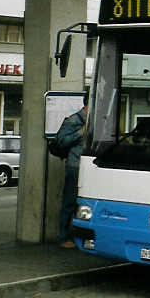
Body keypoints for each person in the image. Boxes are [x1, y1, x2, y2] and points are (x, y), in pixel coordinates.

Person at [56, 95, 88, 248]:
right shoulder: (74, 120)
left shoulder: (95, 121)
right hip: (75, 167)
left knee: (81, 205)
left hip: (89, 167)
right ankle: (63, 238)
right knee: (69, 202)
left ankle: (77, 236)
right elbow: (61, 141)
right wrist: (81, 132)